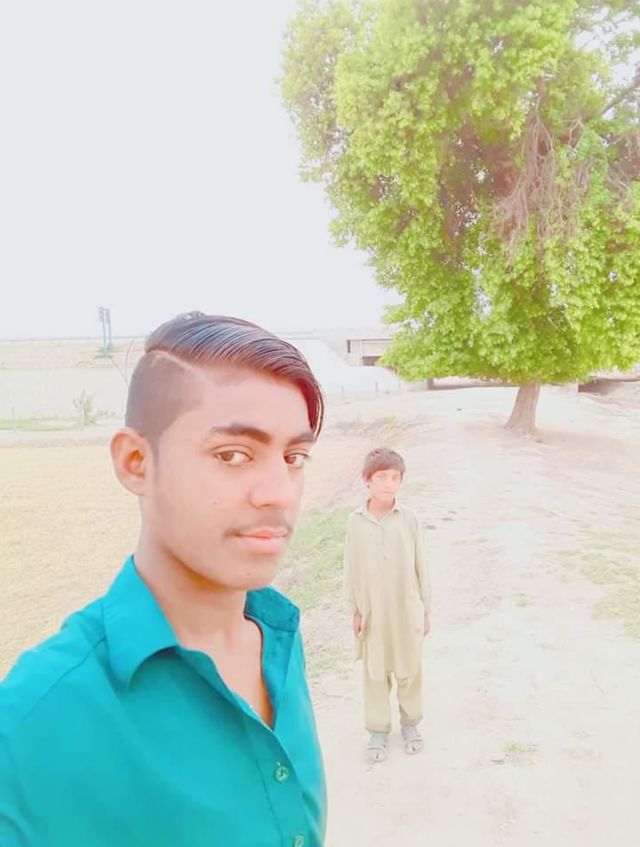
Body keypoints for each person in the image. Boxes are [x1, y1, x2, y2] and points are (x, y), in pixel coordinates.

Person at [0, 312, 327, 846]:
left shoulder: (279, 640)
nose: (280, 493)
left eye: (294, 457)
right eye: (234, 455)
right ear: (136, 462)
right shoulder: (34, 720)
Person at [343, 447, 431, 763]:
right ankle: (377, 730)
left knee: (410, 669)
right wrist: (355, 609)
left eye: (395, 477)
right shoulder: (355, 522)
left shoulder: (409, 519)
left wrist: (426, 610)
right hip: (373, 612)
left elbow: (422, 566)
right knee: (375, 671)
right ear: (367, 480)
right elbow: (350, 567)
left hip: (406, 609)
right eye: (382, 477)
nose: (389, 484)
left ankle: (411, 724)